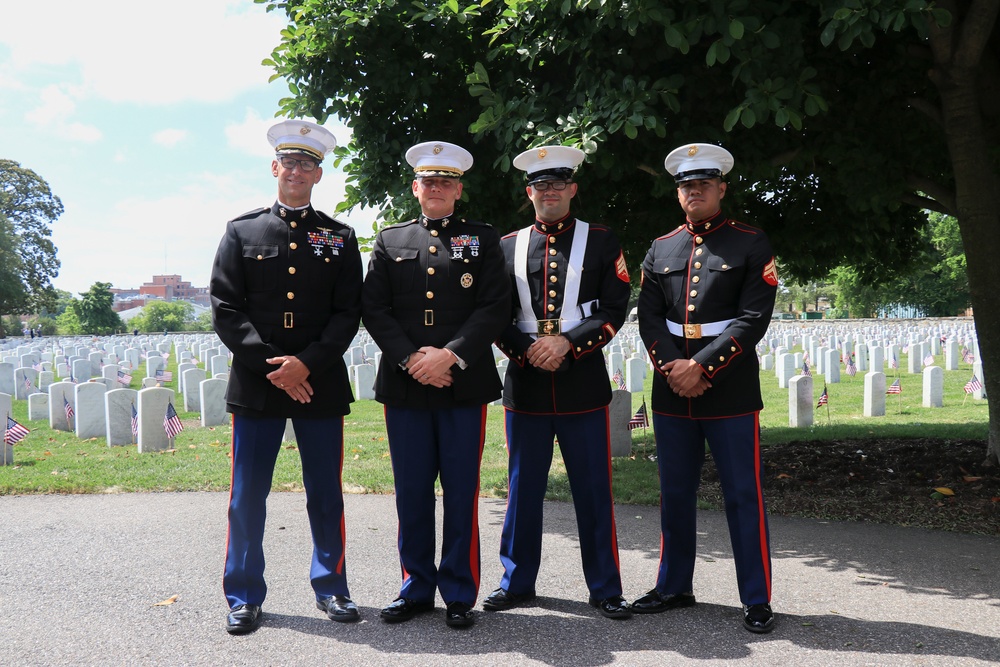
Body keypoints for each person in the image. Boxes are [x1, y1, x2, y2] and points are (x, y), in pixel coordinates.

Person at [209, 119, 364, 635]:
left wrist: (307, 365)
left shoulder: (339, 236)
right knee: (247, 495)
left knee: (326, 492)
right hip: (259, 384)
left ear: (319, 175)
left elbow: (348, 312)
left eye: (308, 164)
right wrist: (276, 366)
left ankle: (332, 587)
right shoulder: (242, 230)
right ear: (275, 167)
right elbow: (226, 307)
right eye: (290, 162)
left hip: (318, 381)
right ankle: (244, 594)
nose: (297, 170)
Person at [361, 141, 510, 629]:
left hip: (461, 384)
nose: (437, 188)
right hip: (406, 386)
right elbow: (374, 309)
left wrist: (451, 354)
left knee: (462, 490)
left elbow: (494, 307)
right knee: (411, 491)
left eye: (446, 181)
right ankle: (416, 587)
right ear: (415, 187)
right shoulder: (389, 240)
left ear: (459, 189)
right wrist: (411, 358)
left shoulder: (483, 239)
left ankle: (460, 591)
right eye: (428, 181)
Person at [633, 143, 779, 633]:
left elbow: (753, 317)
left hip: (729, 387)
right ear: (678, 193)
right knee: (674, 492)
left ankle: (755, 598)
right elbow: (649, 317)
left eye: (702, 184)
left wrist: (703, 366)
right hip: (672, 385)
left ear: (721, 188)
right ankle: (674, 585)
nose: (693, 192)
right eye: (685, 185)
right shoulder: (661, 247)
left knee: (742, 494)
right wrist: (675, 366)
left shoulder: (751, 242)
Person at [487, 145, 632, 620]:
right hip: (526, 383)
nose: (548, 192)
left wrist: (568, 344)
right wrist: (528, 349)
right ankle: (516, 582)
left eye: (557, 184)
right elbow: (494, 314)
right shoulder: (506, 245)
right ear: (529, 192)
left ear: (572, 189)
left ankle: (606, 587)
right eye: (539, 186)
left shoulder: (604, 241)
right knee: (523, 489)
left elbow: (614, 309)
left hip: (582, 382)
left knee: (593, 490)